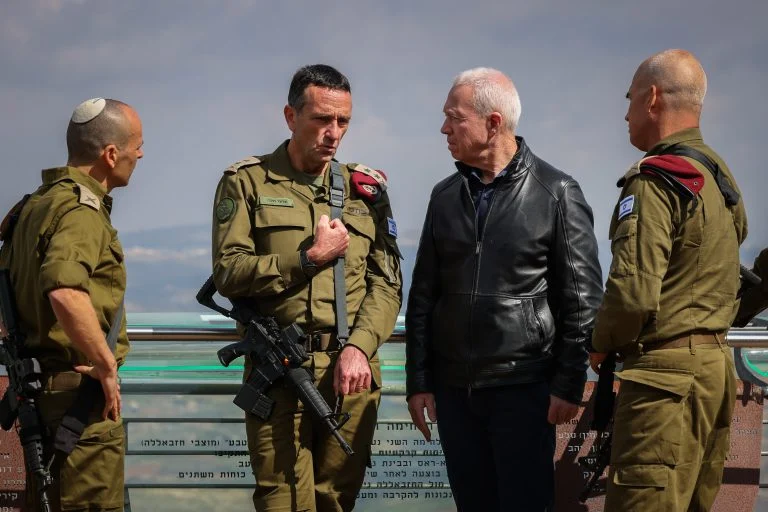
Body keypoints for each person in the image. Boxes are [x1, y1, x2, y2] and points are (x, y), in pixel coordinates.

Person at [405, 67, 603, 511]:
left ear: (493, 123)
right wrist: (419, 381)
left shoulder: (557, 193)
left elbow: (583, 302)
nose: (444, 128)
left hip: (524, 390)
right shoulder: (444, 195)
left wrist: (569, 385)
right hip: (455, 395)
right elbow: (422, 297)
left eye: (453, 117)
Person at [211, 64, 402, 512]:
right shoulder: (247, 181)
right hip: (276, 371)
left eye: (343, 122)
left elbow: (387, 283)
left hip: (350, 374)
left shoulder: (365, 191)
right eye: (321, 119)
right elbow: (228, 272)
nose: (333, 133)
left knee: (336, 501)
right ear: (290, 116)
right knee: (281, 501)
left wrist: (358, 347)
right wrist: (307, 259)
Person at [591, 49, 748, 511]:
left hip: (665, 383)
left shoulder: (656, 181)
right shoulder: (718, 180)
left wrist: (600, 342)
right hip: (714, 375)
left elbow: (633, 293)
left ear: (653, 98)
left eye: (631, 99)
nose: (626, 113)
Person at [0, 98, 143, 511]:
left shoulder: (32, 206)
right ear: (110, 153)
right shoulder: (81, 211)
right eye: (137, 145)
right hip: (76, 404)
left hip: (38, 397)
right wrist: (105, 364)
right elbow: (64, 289)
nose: (140, 154)